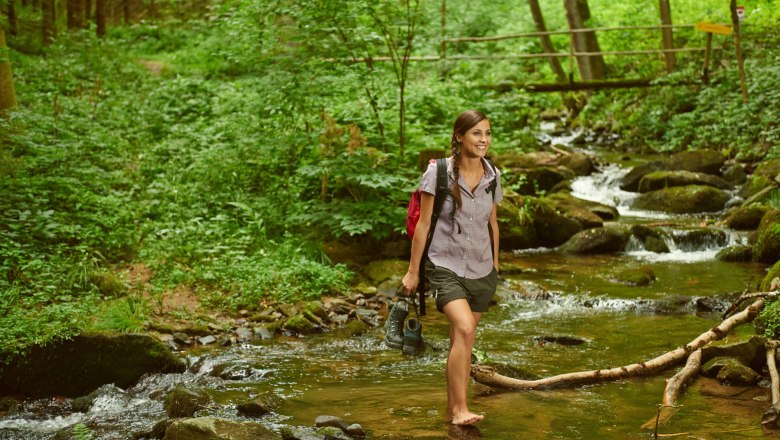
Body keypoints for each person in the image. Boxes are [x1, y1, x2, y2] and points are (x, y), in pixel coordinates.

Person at [402, 109, 501, 426]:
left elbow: (493, 223)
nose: (483, 139)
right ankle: (460, 410)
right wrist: (413, 271)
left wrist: (496, 266)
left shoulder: (493, 175)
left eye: (486, 133)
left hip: (482, 270)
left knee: (463, 338)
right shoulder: (439, 172)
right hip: (445, 264)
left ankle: (455, 408)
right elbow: (424, 224)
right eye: (476, 133)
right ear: (459, 137)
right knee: (465, 328)